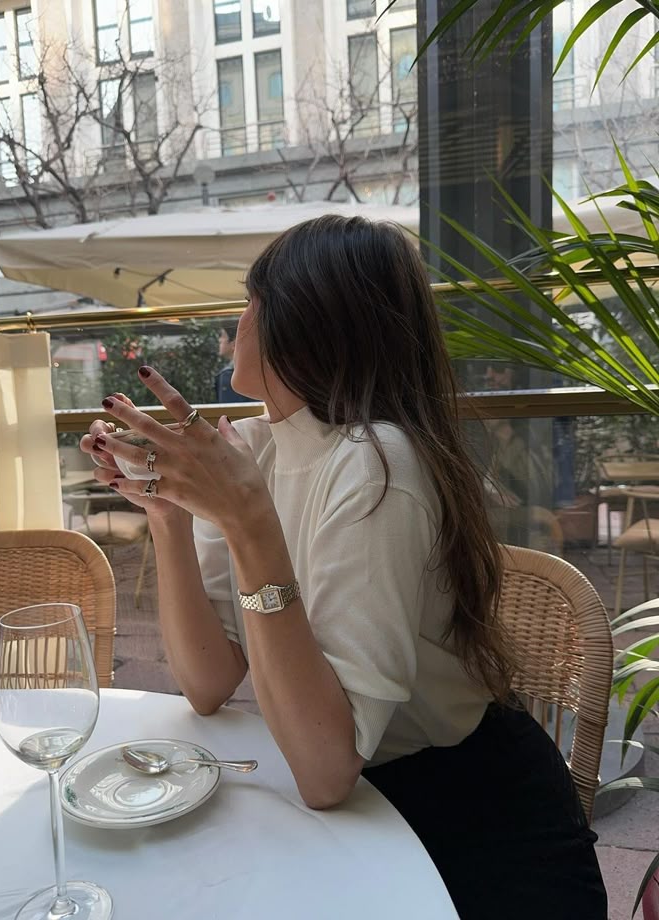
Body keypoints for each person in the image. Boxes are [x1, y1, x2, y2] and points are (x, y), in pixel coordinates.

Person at [82, 215, 607, 919]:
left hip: (466, 820)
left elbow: (326, 770)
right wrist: (169, 517)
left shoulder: (375, 463)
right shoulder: (258, 448)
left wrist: (248, 524)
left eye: (254, 300)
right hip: (358, 803)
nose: (237, 322)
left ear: (309, 321)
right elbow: (208, 683)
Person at [216, 321, 254, 403]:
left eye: (222, 336)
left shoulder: (228, 374)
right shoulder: (254, 370)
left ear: (234, 344)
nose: (219, 340)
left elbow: (227, 410)